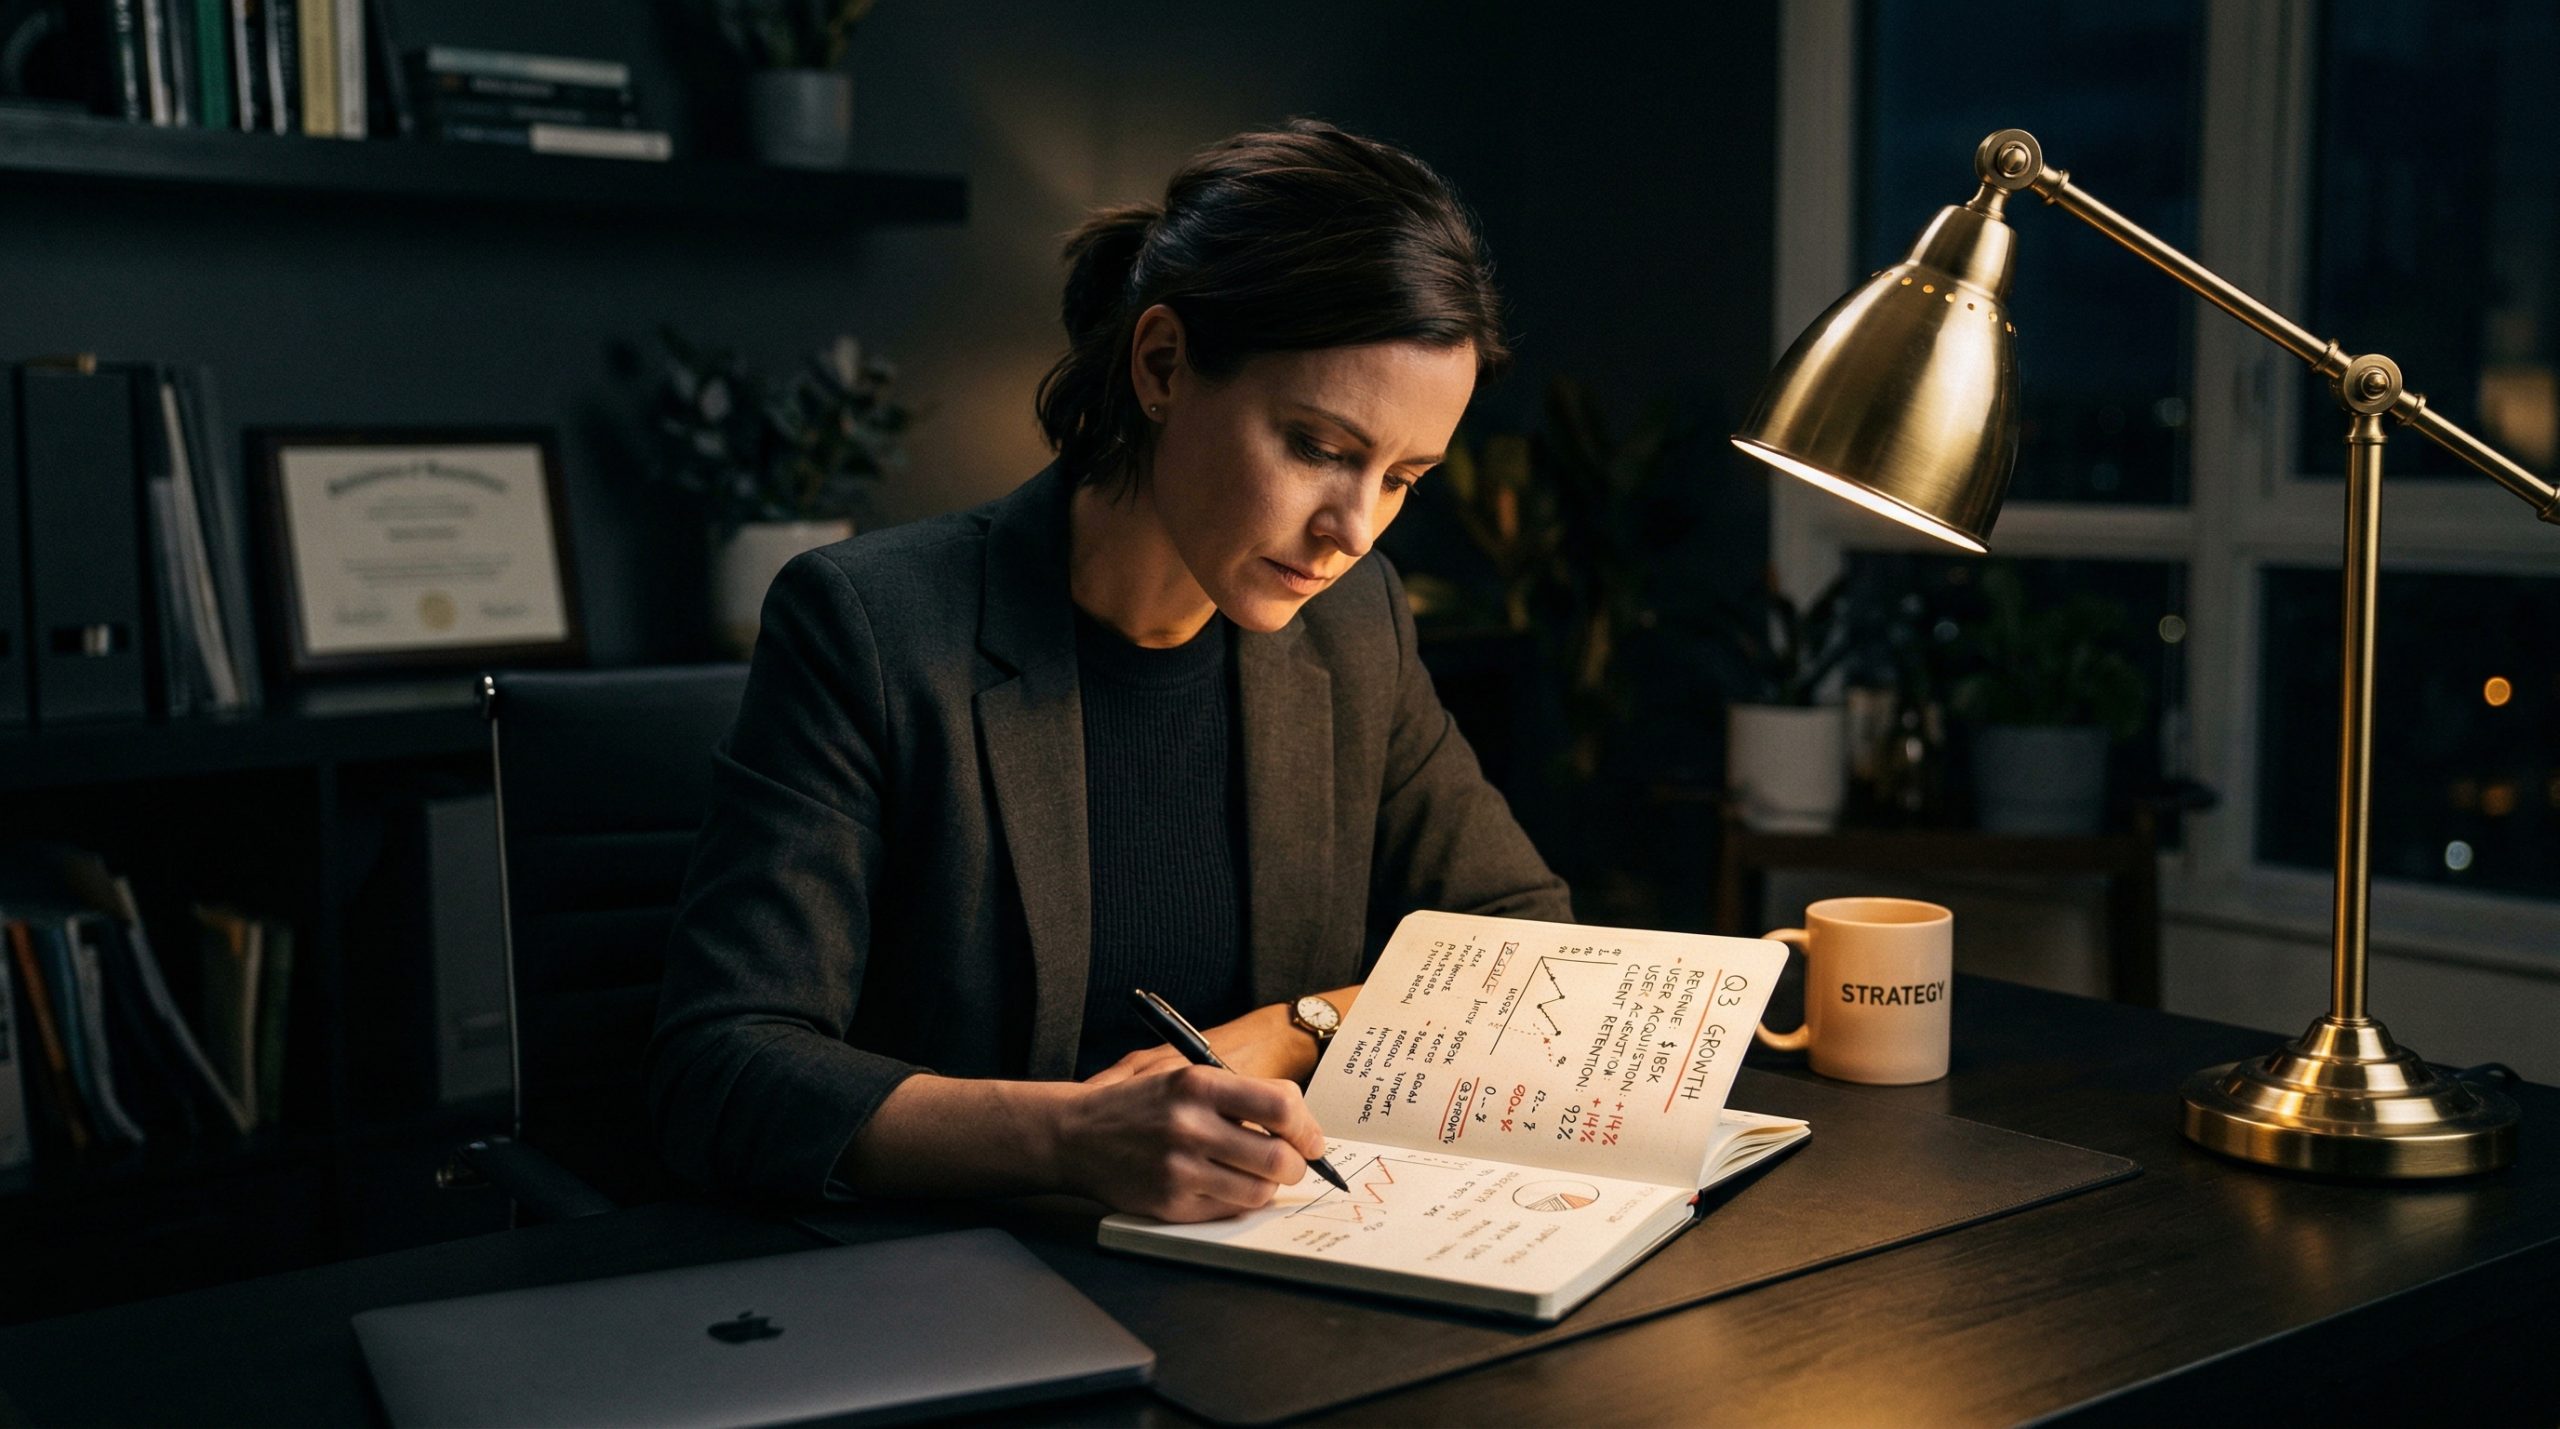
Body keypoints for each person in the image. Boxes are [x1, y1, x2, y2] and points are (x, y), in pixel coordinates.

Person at [648, 118, 1570, 1225]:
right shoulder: (873, 626)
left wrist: (1297, 1025)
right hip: (967, 1281)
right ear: (1163, 365)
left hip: (1267, 1273)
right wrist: (1072, 1136)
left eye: (1403, 476)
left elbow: (1523, 943)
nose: (1354, 529)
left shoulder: (1353, 622)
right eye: (1320, 448)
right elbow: (723, 1065)